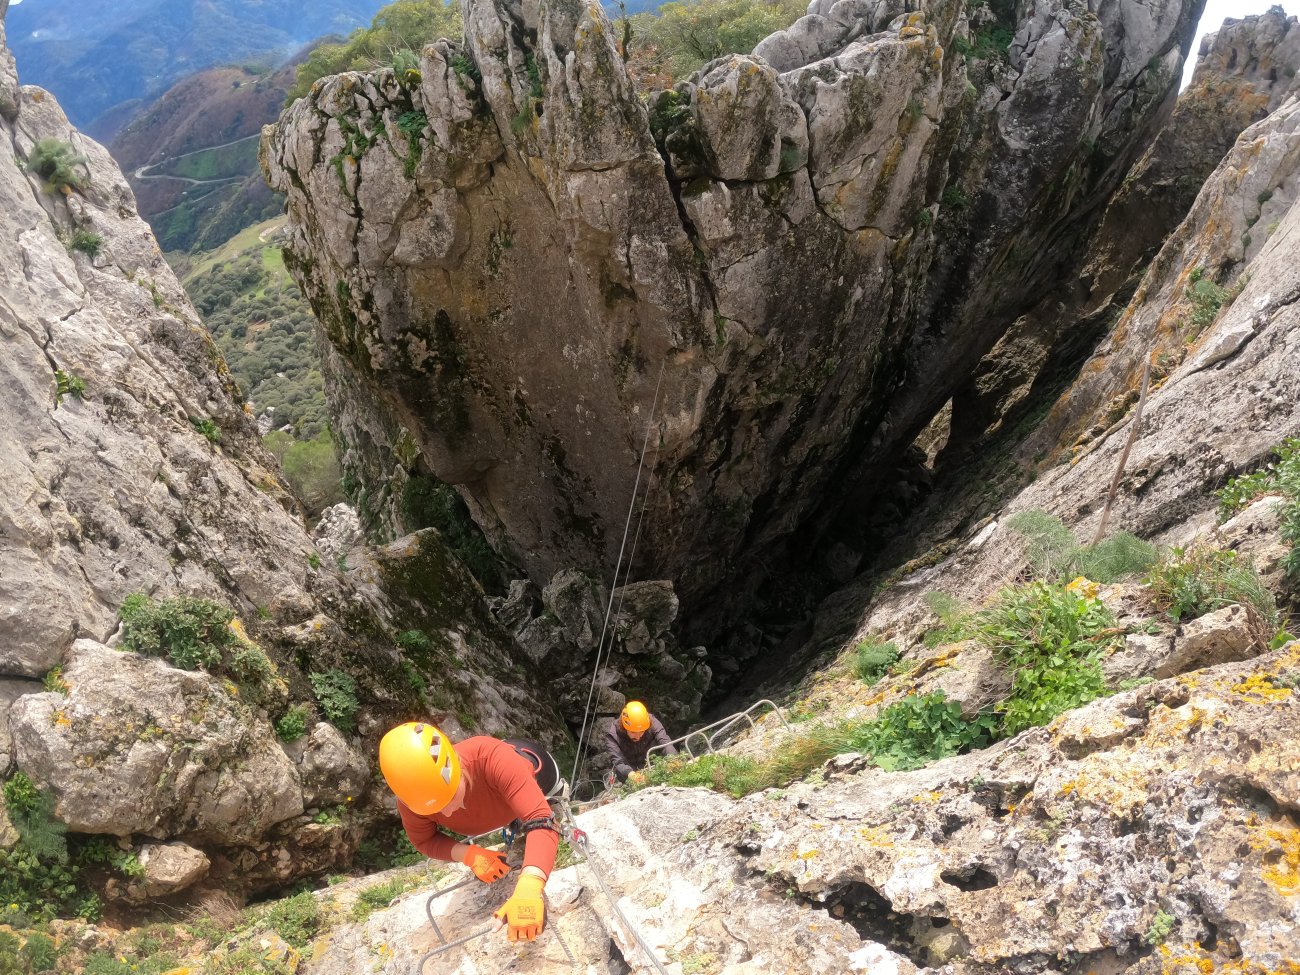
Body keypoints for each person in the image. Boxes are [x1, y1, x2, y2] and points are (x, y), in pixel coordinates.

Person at [379, 722, 564, 942]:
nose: (446, 814)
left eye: (448, 798)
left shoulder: (492, 758)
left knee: (551, 811)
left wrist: (530, 885)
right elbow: (424, 840)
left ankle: (547, 801)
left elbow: (540, 818)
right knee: (517, 818)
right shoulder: (414, 799)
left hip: (535, 769)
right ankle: (513, 819)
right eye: (434, 810)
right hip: (498, 799)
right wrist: (467, 854)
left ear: (456, 765)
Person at [603, 700, 676, 786]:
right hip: (627, 772)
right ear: (623, 727)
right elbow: (619, 762)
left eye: (642, 732)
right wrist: (632, 775)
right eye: (633, 732)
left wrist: (673, 759)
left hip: (651, 766)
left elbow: (665, 742)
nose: (638, 737)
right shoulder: (613, 735)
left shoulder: (652, 723)